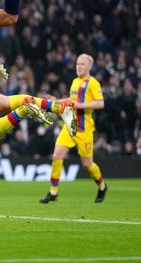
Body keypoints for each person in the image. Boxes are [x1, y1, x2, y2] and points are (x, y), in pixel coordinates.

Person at [40, 53, 107, 204]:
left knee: (87, 164)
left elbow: (100, 103)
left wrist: (81, 106)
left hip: (84, 129)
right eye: (77, 64)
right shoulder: (75, 81)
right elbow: (72, 100)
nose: (79, 66)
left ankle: (102, 186)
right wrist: (58, 101)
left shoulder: (93, 83)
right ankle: (53, 192)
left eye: (82, 64)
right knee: (57, 155)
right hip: (70, 125)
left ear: (89, 66)